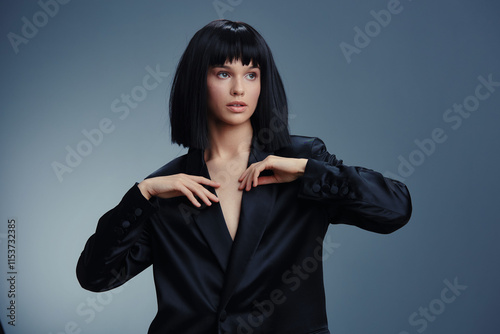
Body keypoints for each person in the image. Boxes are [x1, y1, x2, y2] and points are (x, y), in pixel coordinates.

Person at [76, 19, 412, 334]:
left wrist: (305, 170)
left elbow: (394, 209)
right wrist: (142, 194)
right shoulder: (167, 187)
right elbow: (95, 277)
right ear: (198, 81)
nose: (239, 88)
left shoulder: (301, 161)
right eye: (223, 73)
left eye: (251, 74)